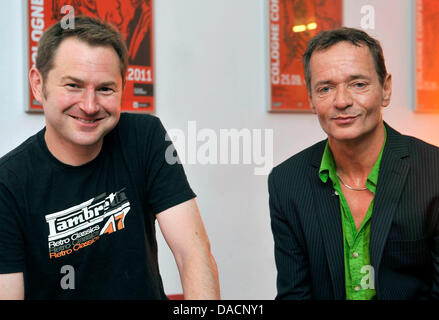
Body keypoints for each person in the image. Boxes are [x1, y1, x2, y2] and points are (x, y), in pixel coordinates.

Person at [0, 16, 220, 300]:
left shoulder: (144, 136)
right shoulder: (8, 183)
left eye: (105, 89)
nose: (90, 106)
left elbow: (192, 252)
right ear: (38, 84)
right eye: (73, 85)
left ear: (122, 88)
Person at [268, 27, 439, 300]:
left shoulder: (433, 172)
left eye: (358, 84)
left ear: (386, 89)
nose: (342, 101)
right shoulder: (287, 182)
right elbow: (294, 295)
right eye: (325, 88)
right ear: (312, 100)